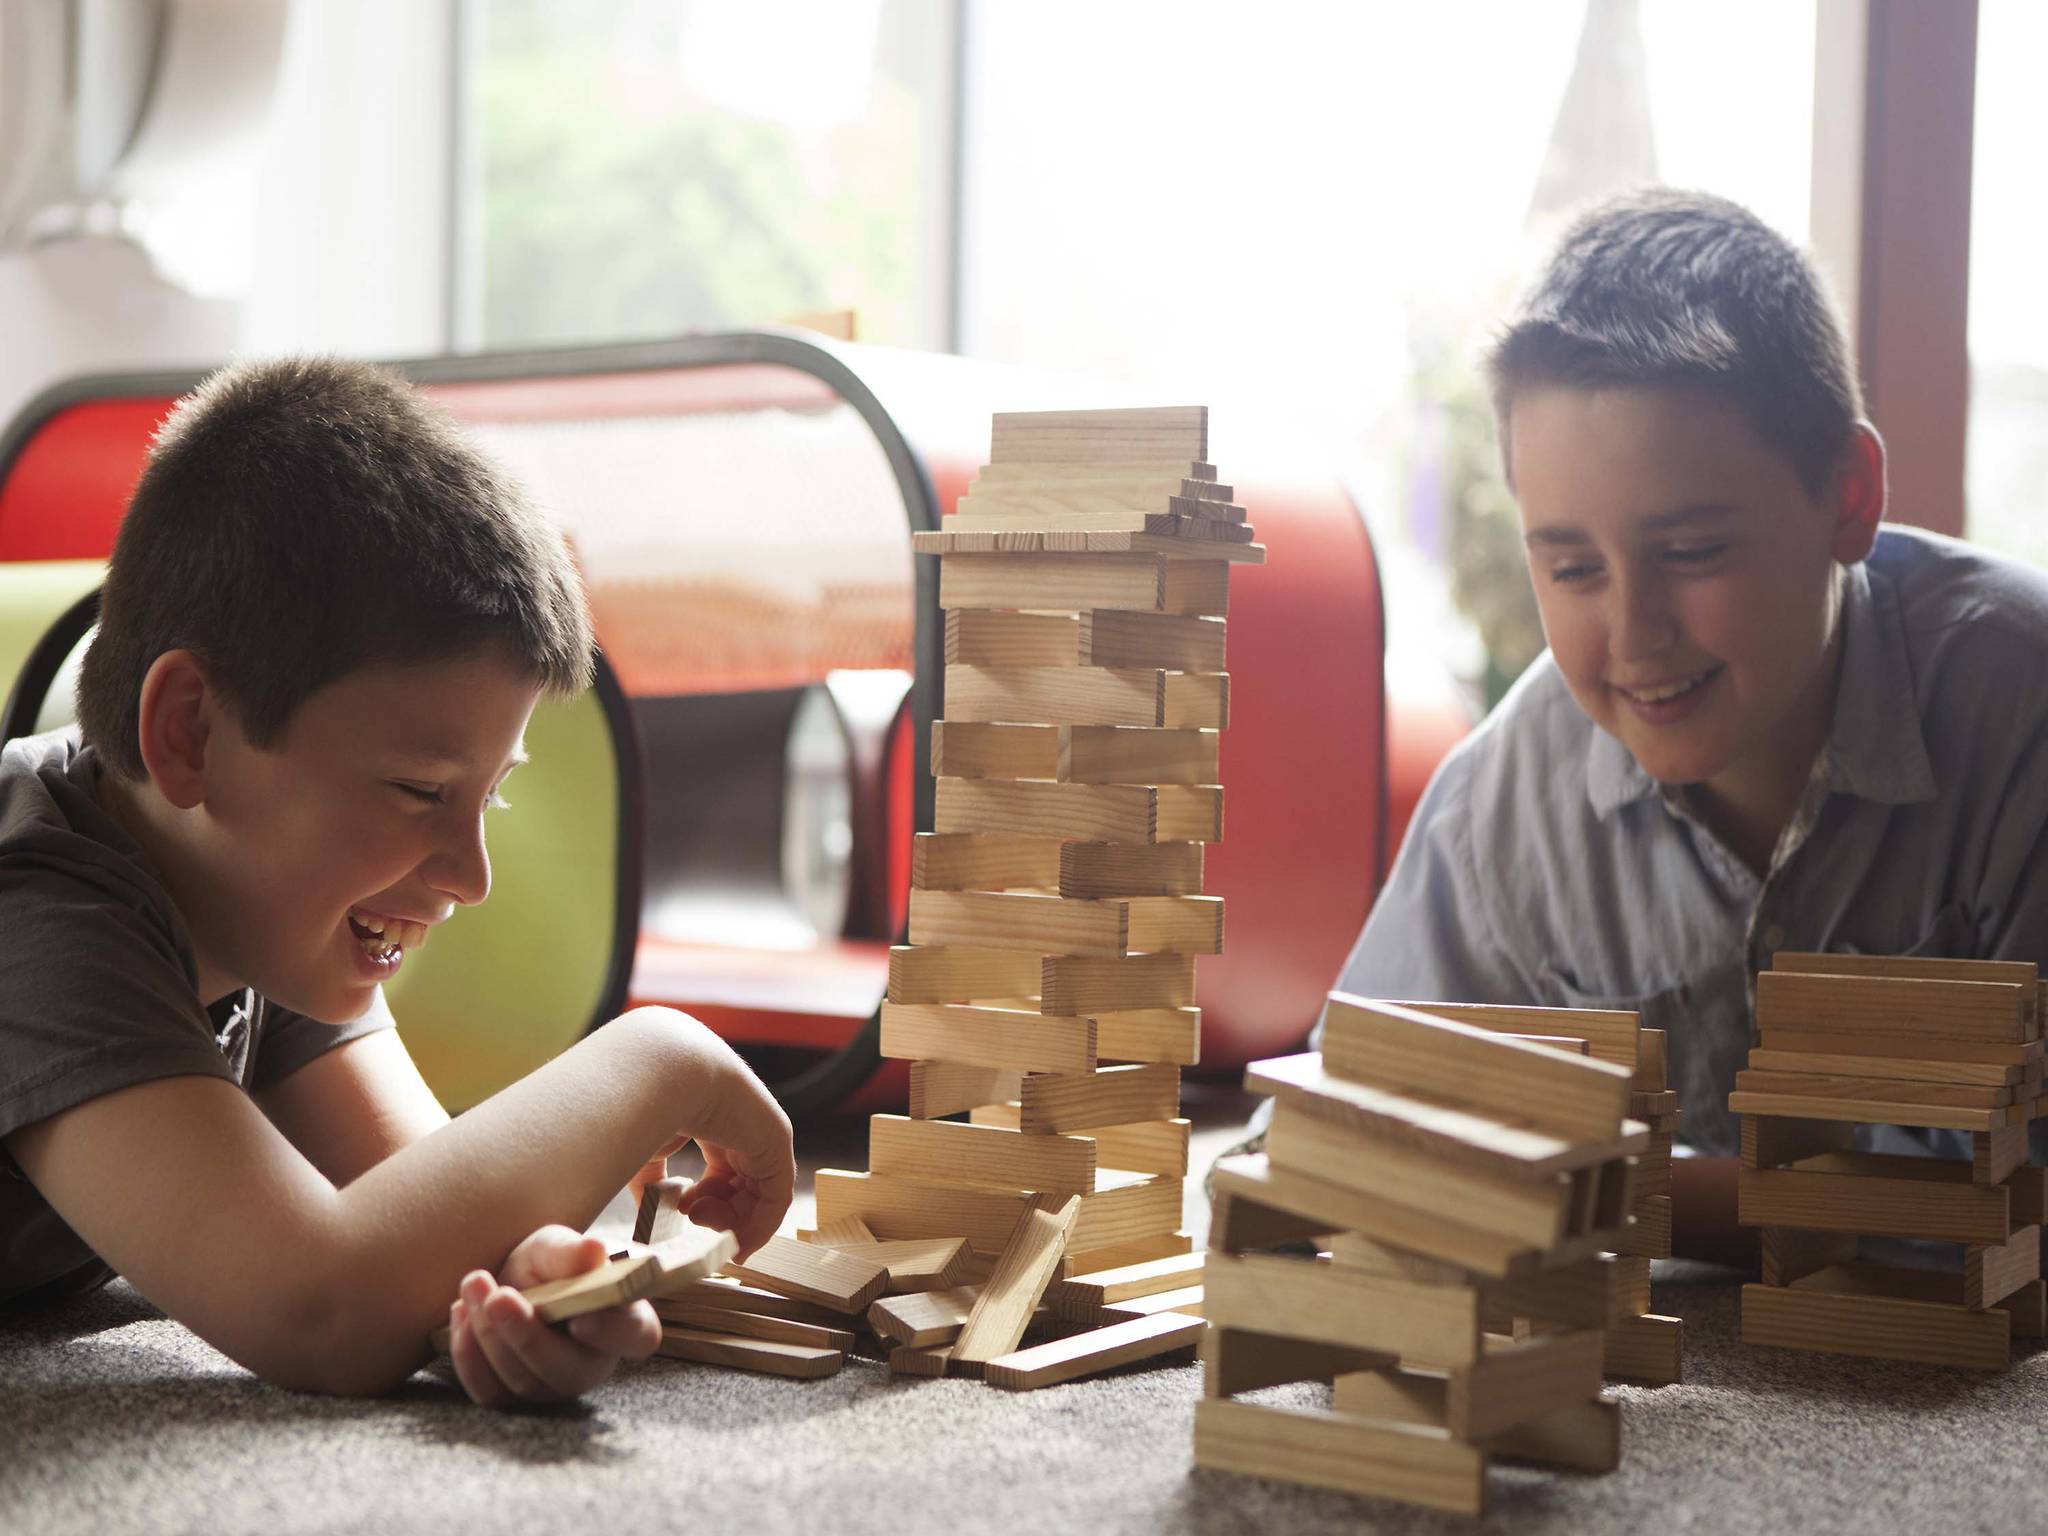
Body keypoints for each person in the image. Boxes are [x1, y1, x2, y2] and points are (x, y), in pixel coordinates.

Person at [0, 358, 794, 1405]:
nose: (470, 876)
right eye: (419, 792)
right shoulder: (38, 907)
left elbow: (417, 1212)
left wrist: (522, 1283)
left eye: (489, 794)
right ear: (190, 733)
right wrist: (664, 1057)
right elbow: (317, 1305)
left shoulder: (254, 912)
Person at [1321, 189, 2048, 1259]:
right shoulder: (1502, 807)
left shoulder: (2019, 711)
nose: (1632, 633)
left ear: (1847, 497)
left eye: (1690, 552)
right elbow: (1333, 1150)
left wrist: (1604, 1189)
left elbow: (2015, 1210)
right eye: (1570, 568)